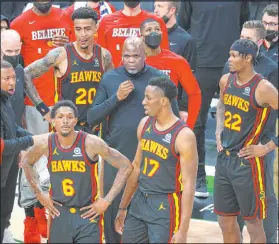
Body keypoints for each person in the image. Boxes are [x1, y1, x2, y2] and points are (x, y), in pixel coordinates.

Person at [87, 36, 179, 243]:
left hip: (151, 157)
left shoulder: (158, 81)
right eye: (127, 56)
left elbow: (174, 119)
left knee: (145, 212)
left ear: (145, 55)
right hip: (117, 156)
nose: (131, 60)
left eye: (136, 56)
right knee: (112, 209)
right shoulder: (110, 79)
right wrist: (116, 98)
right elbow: (92, 117)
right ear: (121, 57)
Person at [22, 100, 133, 243]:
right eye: (60, 117)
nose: (65, 121)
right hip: (59, 214)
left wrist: (106, 201)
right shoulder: (45, 143)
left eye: (69, 117)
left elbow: (126, 166)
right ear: (53, 120)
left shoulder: (91, 143)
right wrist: (39, 194)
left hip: (87, 215)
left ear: (75, 120)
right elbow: (27, 163)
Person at [178, 1, 249, 197]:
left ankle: (234, 178)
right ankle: (198, 176)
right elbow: (183, 24)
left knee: (240, 122)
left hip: (234, 61)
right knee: (196, 123)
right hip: (201, 61)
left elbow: (245, 23)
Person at [114, 76, 198, 243]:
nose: (143, 102)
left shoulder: (184, 136)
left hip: (165, 204)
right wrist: (123, 207)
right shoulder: (144, 124)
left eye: (148, 98)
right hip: (139, 200)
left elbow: (189, 185)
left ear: (164, 101)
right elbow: (136, 167)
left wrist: (183, 230)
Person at [215, 39, 278, 243]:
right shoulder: (226, 80)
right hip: (224, 160)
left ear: (248, 58)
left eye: (234, 55)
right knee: (225, 221)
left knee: (253, 223)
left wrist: (267, 147)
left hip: (248, 164)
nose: (229, 59)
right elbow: (222, 106)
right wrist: (218, 131)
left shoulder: (263, 88)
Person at [24, 7, 114, 133]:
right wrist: (43, 109)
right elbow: (25, 74)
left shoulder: (104, 56)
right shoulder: (60, 54)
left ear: (96, 27)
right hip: (65, 128)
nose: (82, 34)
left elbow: (110, 90)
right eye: (78, 29)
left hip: (94, 127)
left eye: (87, 29)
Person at [11, 0, 72, 131]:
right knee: (39, 148)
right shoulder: (18, 24)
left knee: (67, 149)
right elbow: (14, 67)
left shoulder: (67, 17)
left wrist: (70, 45)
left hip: (67, 98)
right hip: (36, 101)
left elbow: (81, 54)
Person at [0, 60, 40, 243]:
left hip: (6, 170)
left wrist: (34, 137)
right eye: (6, 78)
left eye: (14, 78)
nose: (11, 83)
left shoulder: (5, 99)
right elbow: (3, 145)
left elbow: (12, 127)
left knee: (5, 212)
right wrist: (31, 140)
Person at [139, 18, 201, 129]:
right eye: (148, 30)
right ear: (141, 35)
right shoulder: (134, 61)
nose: (154, 32)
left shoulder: (177, 61)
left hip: (168, 123)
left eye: (157, 29)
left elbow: (195, 93)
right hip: (138, 120)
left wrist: (189, 126)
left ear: (162, 34)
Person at [97, 0, 169, 67]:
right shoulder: (106, 21)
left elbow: (164, 56)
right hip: (116, 76)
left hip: (146, 76)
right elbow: (101, 56)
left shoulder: (155, 22)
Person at [154, 0, 197, 72]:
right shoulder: (148, 36)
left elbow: (189, 74)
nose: (155, 10)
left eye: (160, 6)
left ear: (172, 10)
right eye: (155, 6)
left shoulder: (186, 40)